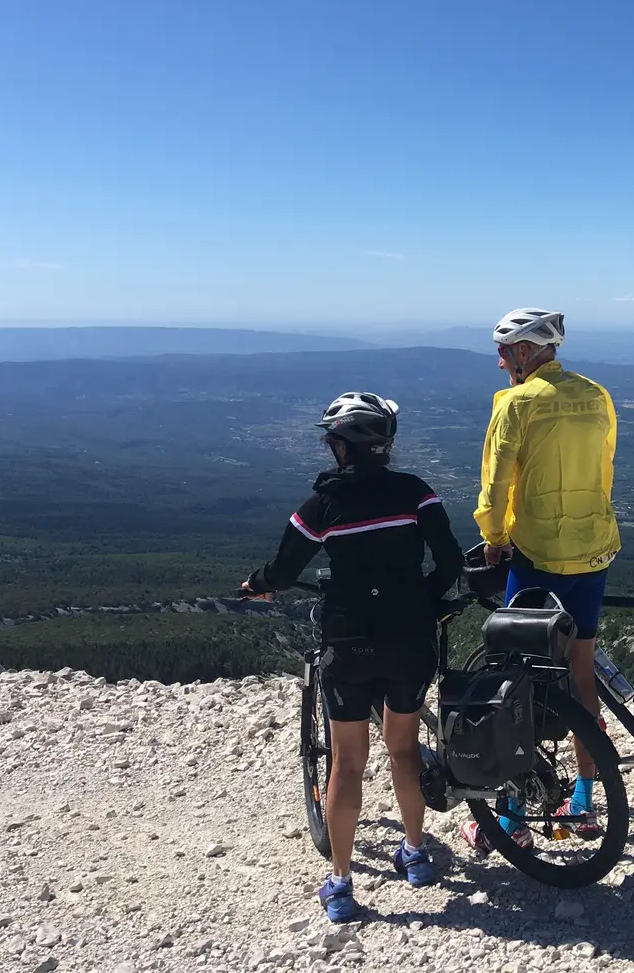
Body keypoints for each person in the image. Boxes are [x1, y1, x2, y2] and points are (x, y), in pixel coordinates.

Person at [241, 391, 462, 921]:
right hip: (410, 641)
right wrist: (423, 604)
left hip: (349, 643)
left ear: (345, 447)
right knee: (405, 753)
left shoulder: (323, 505)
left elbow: (286, 569)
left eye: (331, 439)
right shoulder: (417, 492)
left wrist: (256, 584)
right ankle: (416, 856)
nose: (329, 447)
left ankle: (340, 884)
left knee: (346, 763)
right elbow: (451, 561)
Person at [461, 308, 620, 853]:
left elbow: (495, 481)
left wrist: (494, 536)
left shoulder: (517, 402)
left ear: (527, 352)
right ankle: (583, 799)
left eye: (505, 351)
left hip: (537, 558)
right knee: (581, 678)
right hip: (594, 553)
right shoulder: (597, 395)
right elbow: (605, 466)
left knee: (516, 683)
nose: (501, 361)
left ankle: (509, 817)